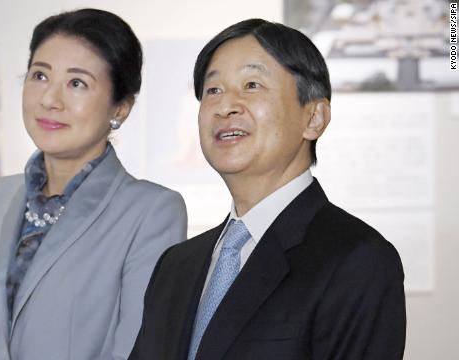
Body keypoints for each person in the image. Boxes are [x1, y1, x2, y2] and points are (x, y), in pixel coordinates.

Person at [130, 18, 406, 360]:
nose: (226, 105)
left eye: (251, 85)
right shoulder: (176, 266)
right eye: (213, 90)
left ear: (314, 118)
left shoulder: (357, 260)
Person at [0, 9, 187, 360]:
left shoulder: (152, 212)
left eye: (77, 83)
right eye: (39, 76)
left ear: (121, 107)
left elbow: (138, 351)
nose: (50, 99)